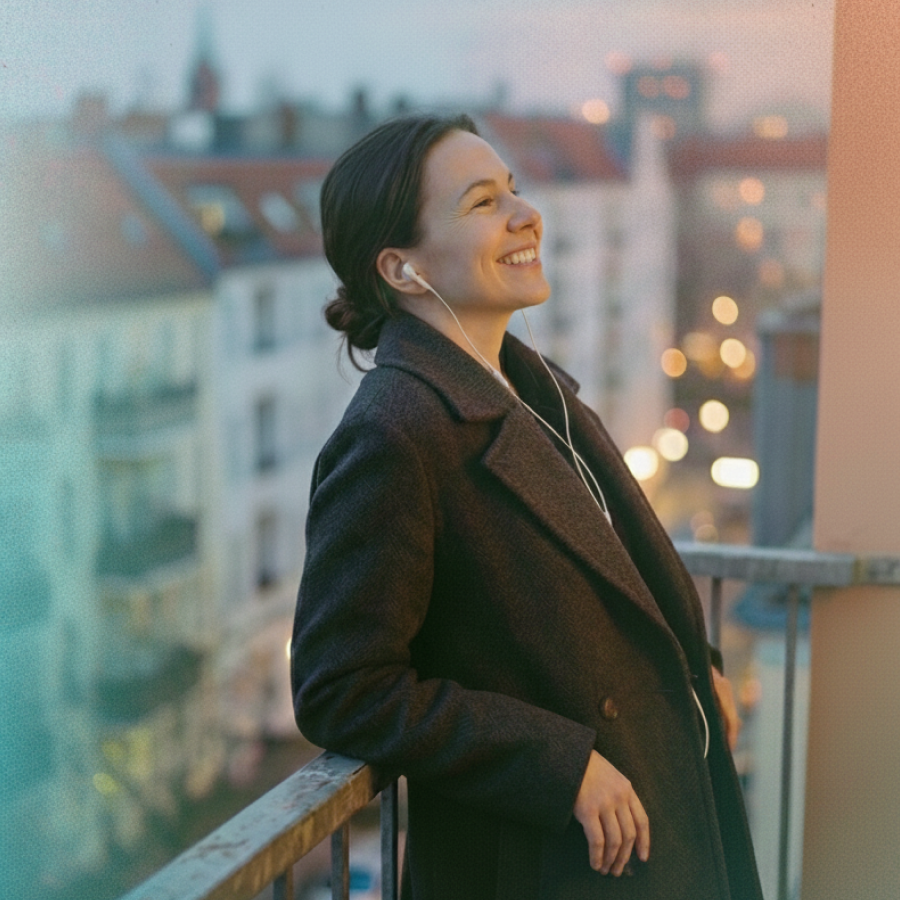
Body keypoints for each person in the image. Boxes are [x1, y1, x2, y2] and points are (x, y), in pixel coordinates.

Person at [290, 113, 763, 900]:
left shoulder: (533, 387)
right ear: (403, 269)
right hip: (548, 866)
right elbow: (342, 688)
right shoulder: (395, 432)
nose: (526, 214)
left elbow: (612, 584)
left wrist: (692, 664)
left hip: (648, 831)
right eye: (483, 202)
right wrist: (555, 763)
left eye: (514, 189)